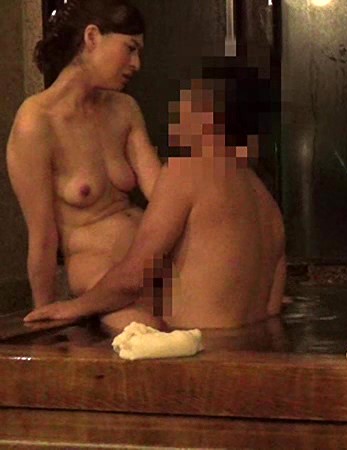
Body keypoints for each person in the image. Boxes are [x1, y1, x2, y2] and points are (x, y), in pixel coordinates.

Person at [24, 63, 287, 331]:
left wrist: (72, 307)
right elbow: (272, 309)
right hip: (245, 348)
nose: (177, 116)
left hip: (193, 351)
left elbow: (134, 277)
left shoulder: (188, 171)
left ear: (207, 115)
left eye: (185, 105)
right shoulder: (266, 202)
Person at [6, 1, 161, 318]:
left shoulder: (125, 109)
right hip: (99, 281)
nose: (136, 64)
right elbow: (43, 238)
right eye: (130, 48)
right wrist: (47, 319)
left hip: (153, 269)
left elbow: (164, 197)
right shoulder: (37, 122)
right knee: (148, 331)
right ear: (92, 37)